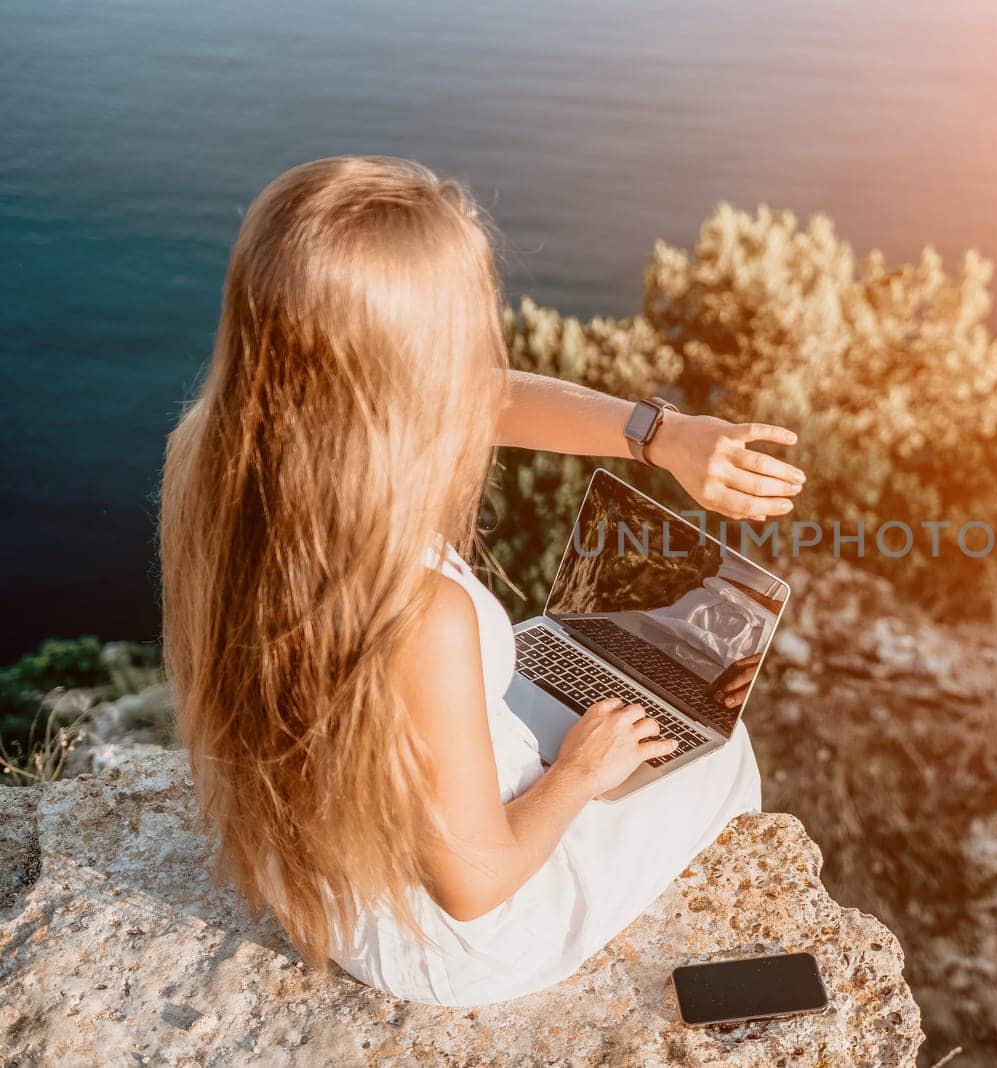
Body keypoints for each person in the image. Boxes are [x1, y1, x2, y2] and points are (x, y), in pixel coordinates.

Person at [158, 156, 807, 1006]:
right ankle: (725, 977)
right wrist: (579, 773)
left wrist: (661, 435)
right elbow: (475, 884)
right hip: (451, 938)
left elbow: (478, 397)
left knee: (600, 680)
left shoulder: (212, 453)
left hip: (317, 872)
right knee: (716, 747)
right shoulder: (421, 615)